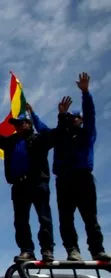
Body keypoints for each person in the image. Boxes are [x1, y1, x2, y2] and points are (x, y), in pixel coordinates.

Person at [29, 73, 111, 262]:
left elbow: (90, 114)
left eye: (77, 118)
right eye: (71, 118)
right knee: (66, 218)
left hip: (83, 177)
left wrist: (85, 93)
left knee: (90, 216)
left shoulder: (87, 133)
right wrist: (33, 114)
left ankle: (97, 249)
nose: (74, 120)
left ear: (81, 120)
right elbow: (43, 129)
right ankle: (72, 249)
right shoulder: (60, 136)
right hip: (64, 180)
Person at [0, 108, 55, 262]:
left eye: (19, 123)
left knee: (44, 218)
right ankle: (27, 250)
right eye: (15, 124)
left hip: (37, 183)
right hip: (19, 186)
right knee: (20, 221)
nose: (16, 126)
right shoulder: (10, 142)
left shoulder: (39, 139)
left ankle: (47, 249)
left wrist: (35, 116)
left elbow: (51, 136)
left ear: (29, 124)